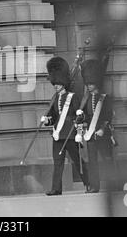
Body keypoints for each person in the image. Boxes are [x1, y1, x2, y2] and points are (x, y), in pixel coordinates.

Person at [40, 57, 90, 196]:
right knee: (57, 163)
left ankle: (88, 182)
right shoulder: (54, 98)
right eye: (54, 83)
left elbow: (80, 115)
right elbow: (54, 118)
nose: (55, 85)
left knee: (77, 160)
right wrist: (47, 121)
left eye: (57, 82)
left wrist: (79, 130)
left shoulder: (72, 97)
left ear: (62, 82)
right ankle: (56, 188)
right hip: (58, 134)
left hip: (70, 134)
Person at [76, 59, 115, 193]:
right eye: (87, 83)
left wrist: (102, 129)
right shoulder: (87, 99)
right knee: (93, 162)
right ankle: (94, 186)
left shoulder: (104, 98)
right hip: (91, 134)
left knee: (107, 159)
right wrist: (81, 117)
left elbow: (108, 116)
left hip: (102, 133)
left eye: (91, 83)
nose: (88, 86)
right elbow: (88, 115)